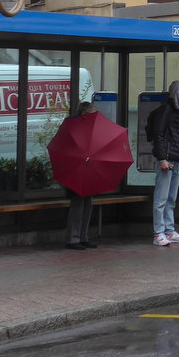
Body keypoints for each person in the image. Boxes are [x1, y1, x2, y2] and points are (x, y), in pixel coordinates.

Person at [150, 80, 179, 246]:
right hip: (167, 160)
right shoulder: (167, 110)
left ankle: (169, 230)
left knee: (170, 199)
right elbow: (158, 135)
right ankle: (158, 233)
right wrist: (162, 158)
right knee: (161, 198)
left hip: (176, 159)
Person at [64, 101, 99, 250]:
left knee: (88, 203)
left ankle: (83, 236)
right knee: (78, 204)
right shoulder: (72, 127)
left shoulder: (91, 128)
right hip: (75, 171)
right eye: (92, 115)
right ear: (84, 115)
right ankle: (73, 238)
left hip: (87, 170)